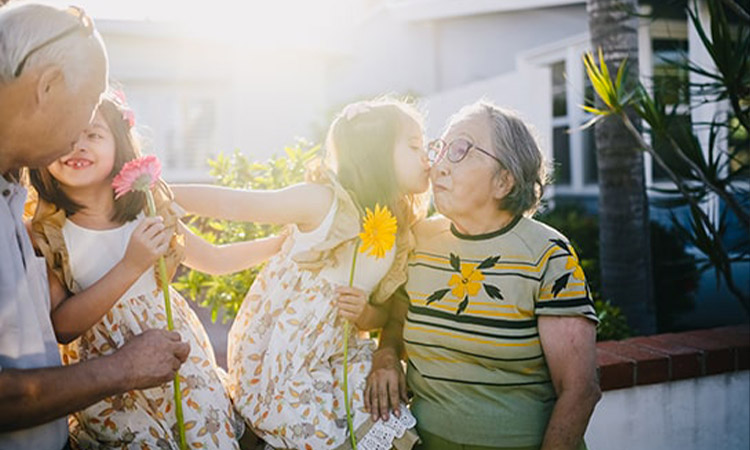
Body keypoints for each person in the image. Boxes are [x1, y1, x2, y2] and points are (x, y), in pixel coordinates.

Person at [28, 91, 285, 449]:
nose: (78, 145)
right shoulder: (48, 232)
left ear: (119, 146)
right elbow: (63, 327)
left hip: (181, 362)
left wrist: (276, 246)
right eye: (66, 135)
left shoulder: (149, 210)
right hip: (112, 384)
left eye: (93, 135)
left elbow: (214, 258)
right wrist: (131, 265)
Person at [171, 98, 431, 449]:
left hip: (338, 352)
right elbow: (241, 204)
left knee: (384, 416)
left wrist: (365, 312)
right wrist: (167, 193)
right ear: (377, 154)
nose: (426, 156)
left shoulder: (399, 229)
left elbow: (379, 315)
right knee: (328, 430)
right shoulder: (325, 203)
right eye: (414, 146)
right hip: (285, 361)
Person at [0, 5, 189, 450]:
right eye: (86, 107)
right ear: (46, 86)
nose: (79, 136)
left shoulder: (13, 187)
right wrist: (122, 369)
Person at [365, 101, 601, 450]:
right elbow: (397, 323)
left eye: (460, 150)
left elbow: (579, 389)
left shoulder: (547, 254)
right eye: (440, 148)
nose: (438, 166)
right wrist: (385, 356)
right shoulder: (419, 240)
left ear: (504, 180)